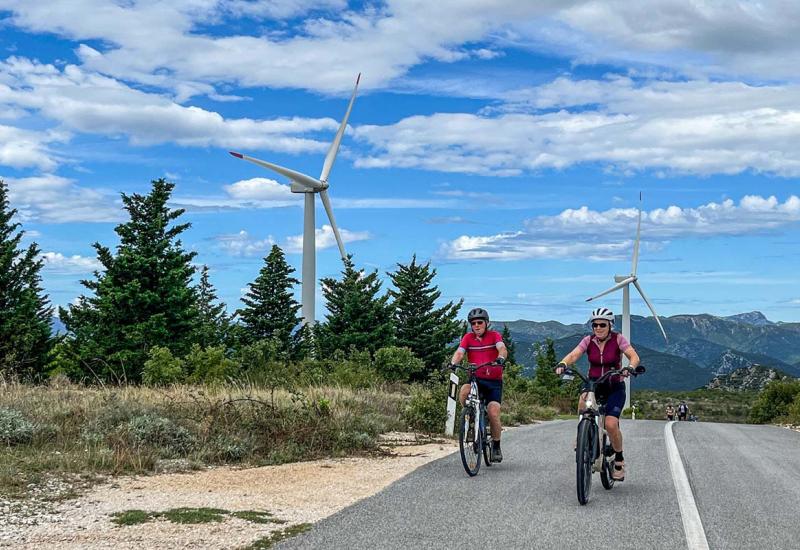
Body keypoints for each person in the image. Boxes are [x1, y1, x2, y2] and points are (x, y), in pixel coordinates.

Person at [555, 307, 640, 482]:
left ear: (610, 325)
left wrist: (630, 367)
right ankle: (582, 435)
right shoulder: (588, 340)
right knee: (582, 403)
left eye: (602, 324)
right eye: (595, 325)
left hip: (614, 384)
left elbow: (633, 356)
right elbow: (574, 354)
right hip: (593, 383)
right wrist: (563, 363)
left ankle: (619, 460)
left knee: (610, 424)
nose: (598, 328)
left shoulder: (618, 340)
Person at [450, 307, 508, 463]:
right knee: (463, 391)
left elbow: (501, 348)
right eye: (473, 323)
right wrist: (453, 363)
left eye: (480, 322)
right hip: (475, 378)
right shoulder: (468, 338)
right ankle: (470, 418)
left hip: (493, 382)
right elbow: (460, 352)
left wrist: (501, 358)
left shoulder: (494, 335)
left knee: (493, 412)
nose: (476, 325)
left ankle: (496, 446)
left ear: (486, 323)